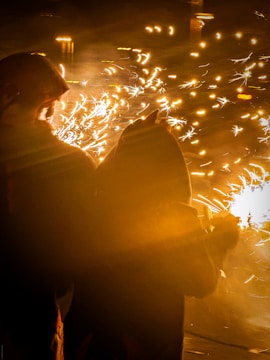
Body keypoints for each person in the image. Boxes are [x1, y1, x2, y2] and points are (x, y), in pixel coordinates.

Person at [68, 109, 240, 360]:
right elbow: (201, 282)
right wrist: (220, 241)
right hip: (145, 345)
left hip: (89, 340)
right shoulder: (174, 216)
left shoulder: (91, 205)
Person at [0, 52, 97, 359]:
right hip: (35, 309)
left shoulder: (70, 164)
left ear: (8, 95)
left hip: (30, 309)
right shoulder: (74, 163)